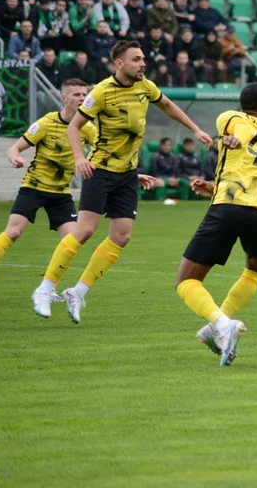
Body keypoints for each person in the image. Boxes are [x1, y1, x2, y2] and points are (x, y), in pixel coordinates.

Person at [43, 40, 213, 324]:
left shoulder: (146, 85)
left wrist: (195, 129)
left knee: (122, 236)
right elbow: (75, 126)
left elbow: (168, 105)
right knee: (84, 231)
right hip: (99, 170)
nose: (143, 63)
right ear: (119, 63)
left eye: (143, 58)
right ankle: (46, 287)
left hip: (127, 172)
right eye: (136, 59)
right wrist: (79, 159)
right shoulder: (101, 92)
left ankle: (78, 291)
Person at [0, 79, 135, 308]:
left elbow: (108, 154)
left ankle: (48, 290)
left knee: (74, 239)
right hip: (34, 187)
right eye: (77, 94)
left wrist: (133, 174)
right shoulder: (46, 123)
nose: (82, 98)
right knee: (14, 231)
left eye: (84, 94)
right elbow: (15, 147)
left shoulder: (87, 128)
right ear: (64, 98)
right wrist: (15, 157)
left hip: (61, 193)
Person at [175, 82, 257, 366]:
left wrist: (234, 138)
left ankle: (222, 324)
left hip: (228, 208)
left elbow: (241, 131)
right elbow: (256, 176)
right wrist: (215, 185)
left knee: (186, 280)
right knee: (254, 271)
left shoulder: (231, 117)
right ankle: (218, 327)